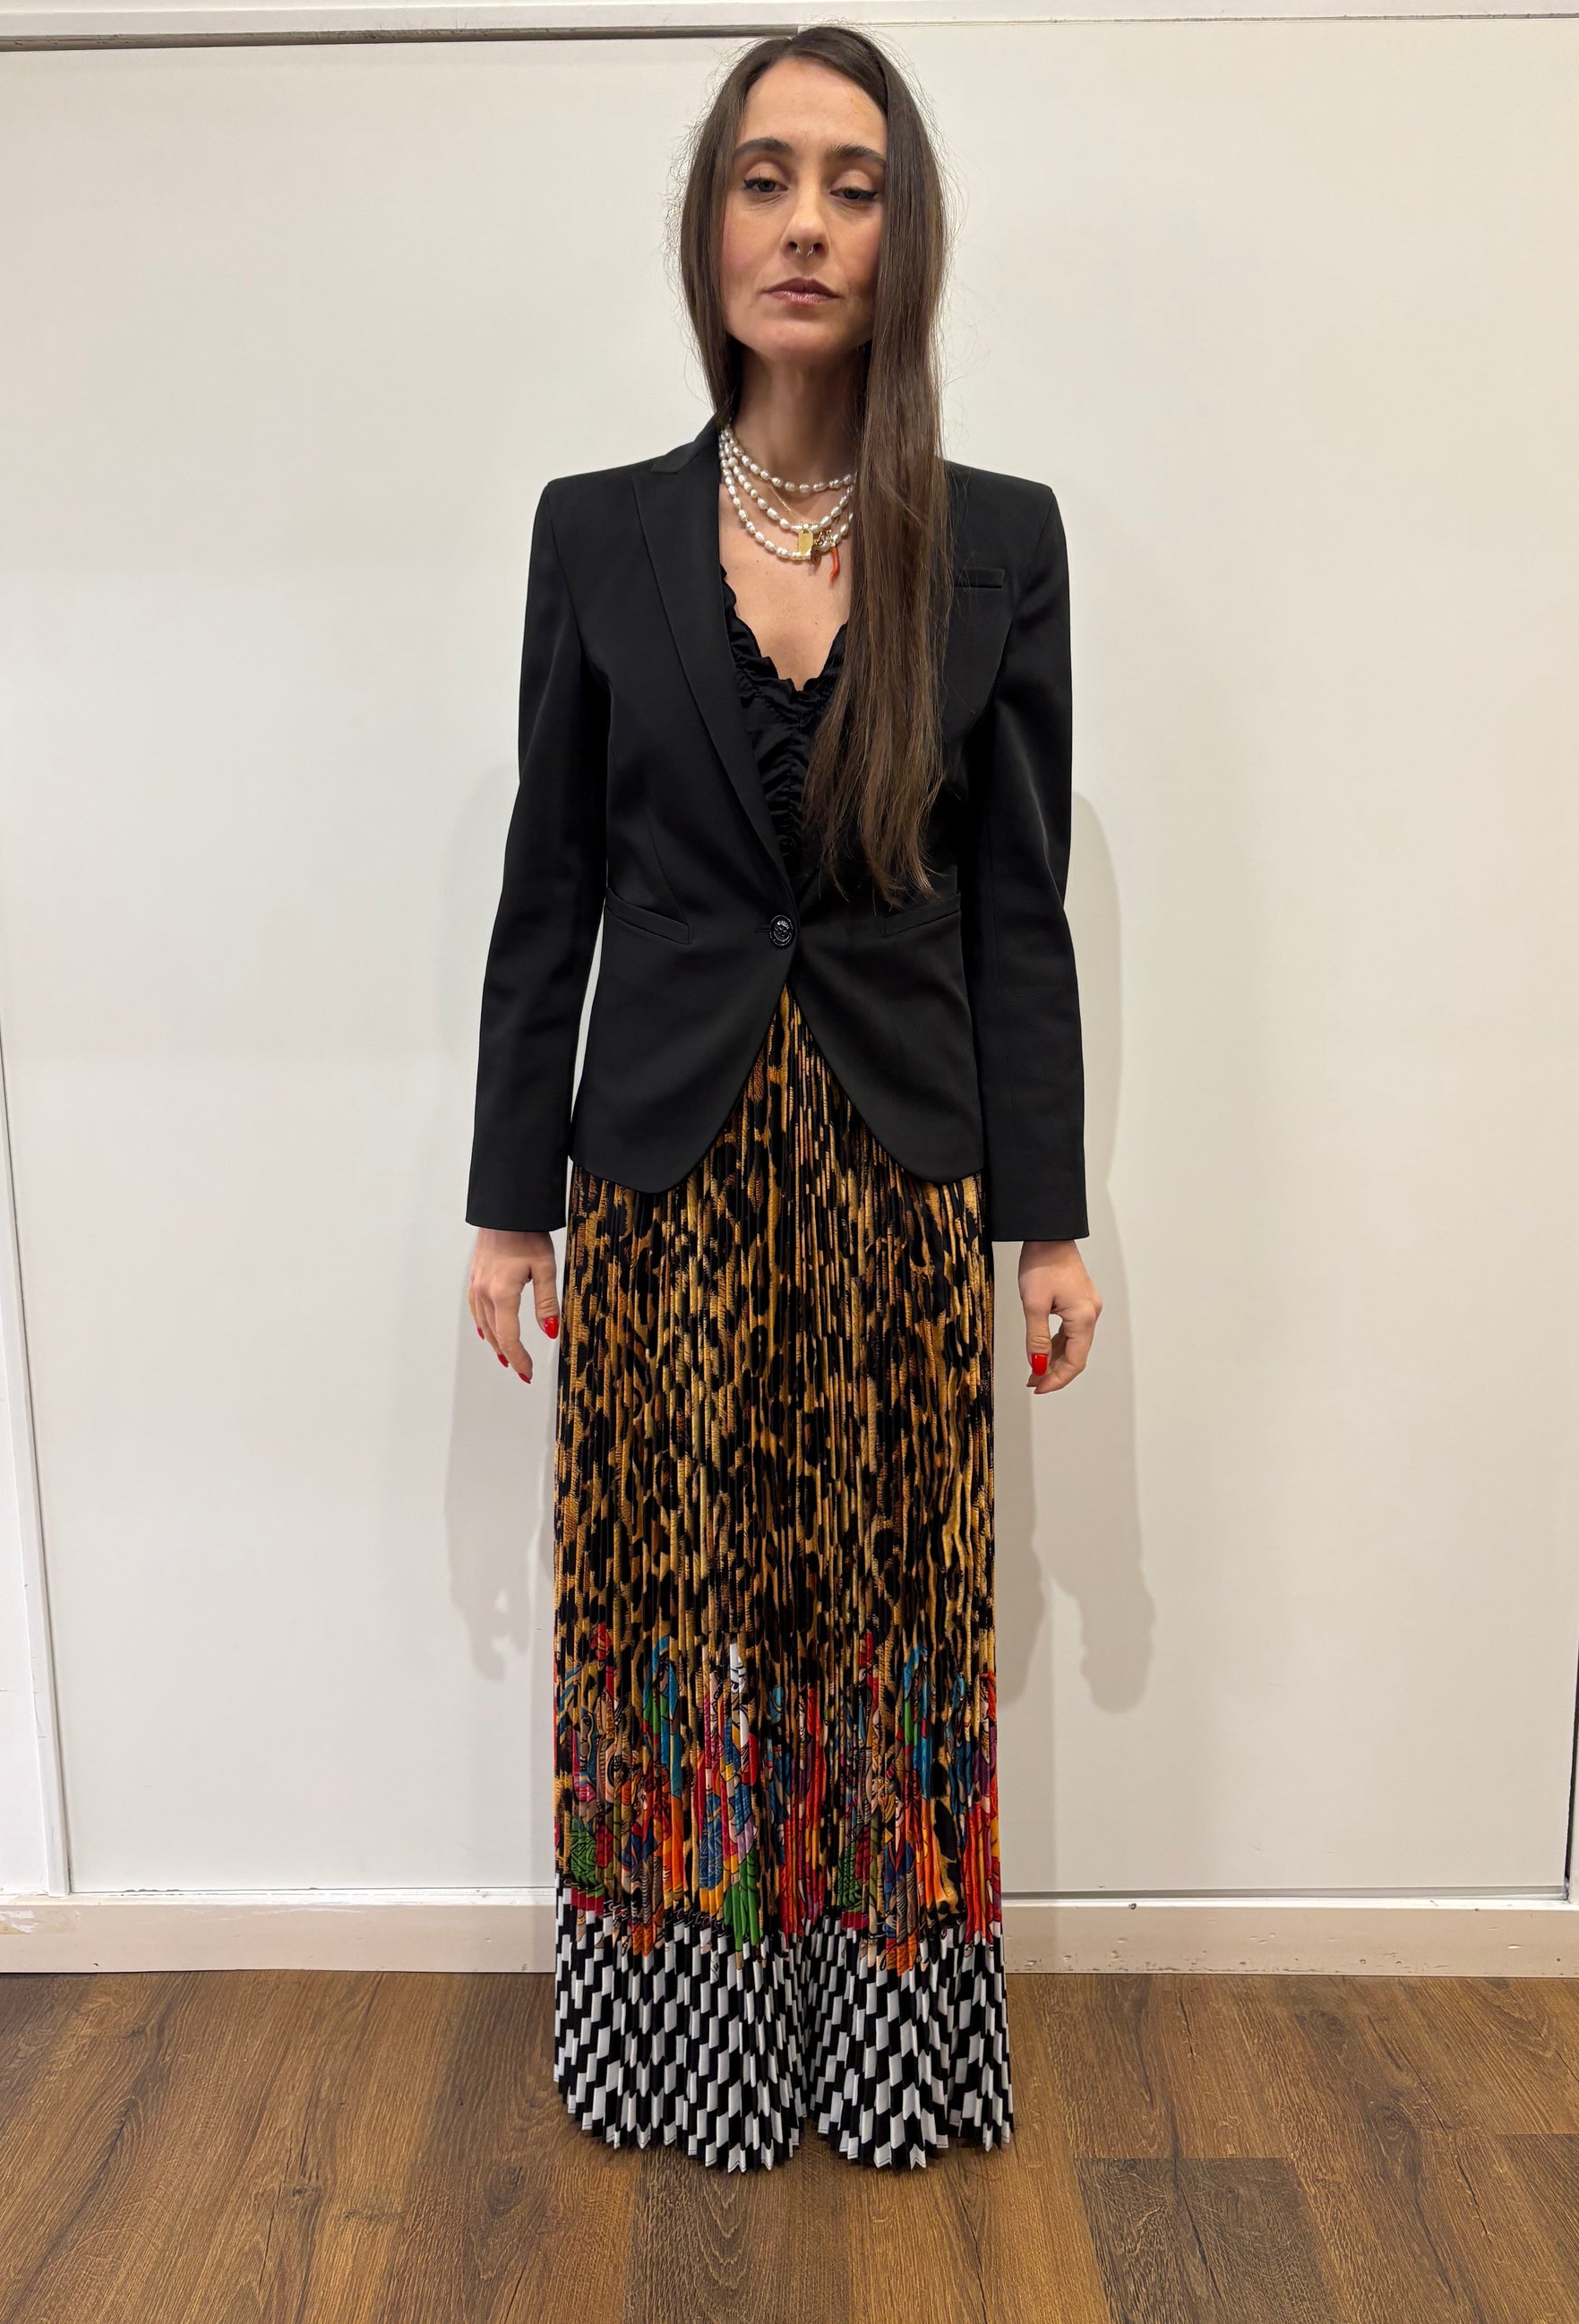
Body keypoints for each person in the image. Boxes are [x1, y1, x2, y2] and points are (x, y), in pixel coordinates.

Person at [464, 21, 1103, 2174]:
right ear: (708, 224)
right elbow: (548, 884)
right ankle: (680, 2044)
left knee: (890, 1616)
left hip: (901, 1167)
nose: (806, 222)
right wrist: (509, 1199)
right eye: (764, 177)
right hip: (658, 1163)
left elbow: (1018, 909)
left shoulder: (996, 542)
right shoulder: (597, 533)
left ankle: (891, 2050)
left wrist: (1047, 1217)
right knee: (670, 1616)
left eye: (852, 181)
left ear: (902, 236)